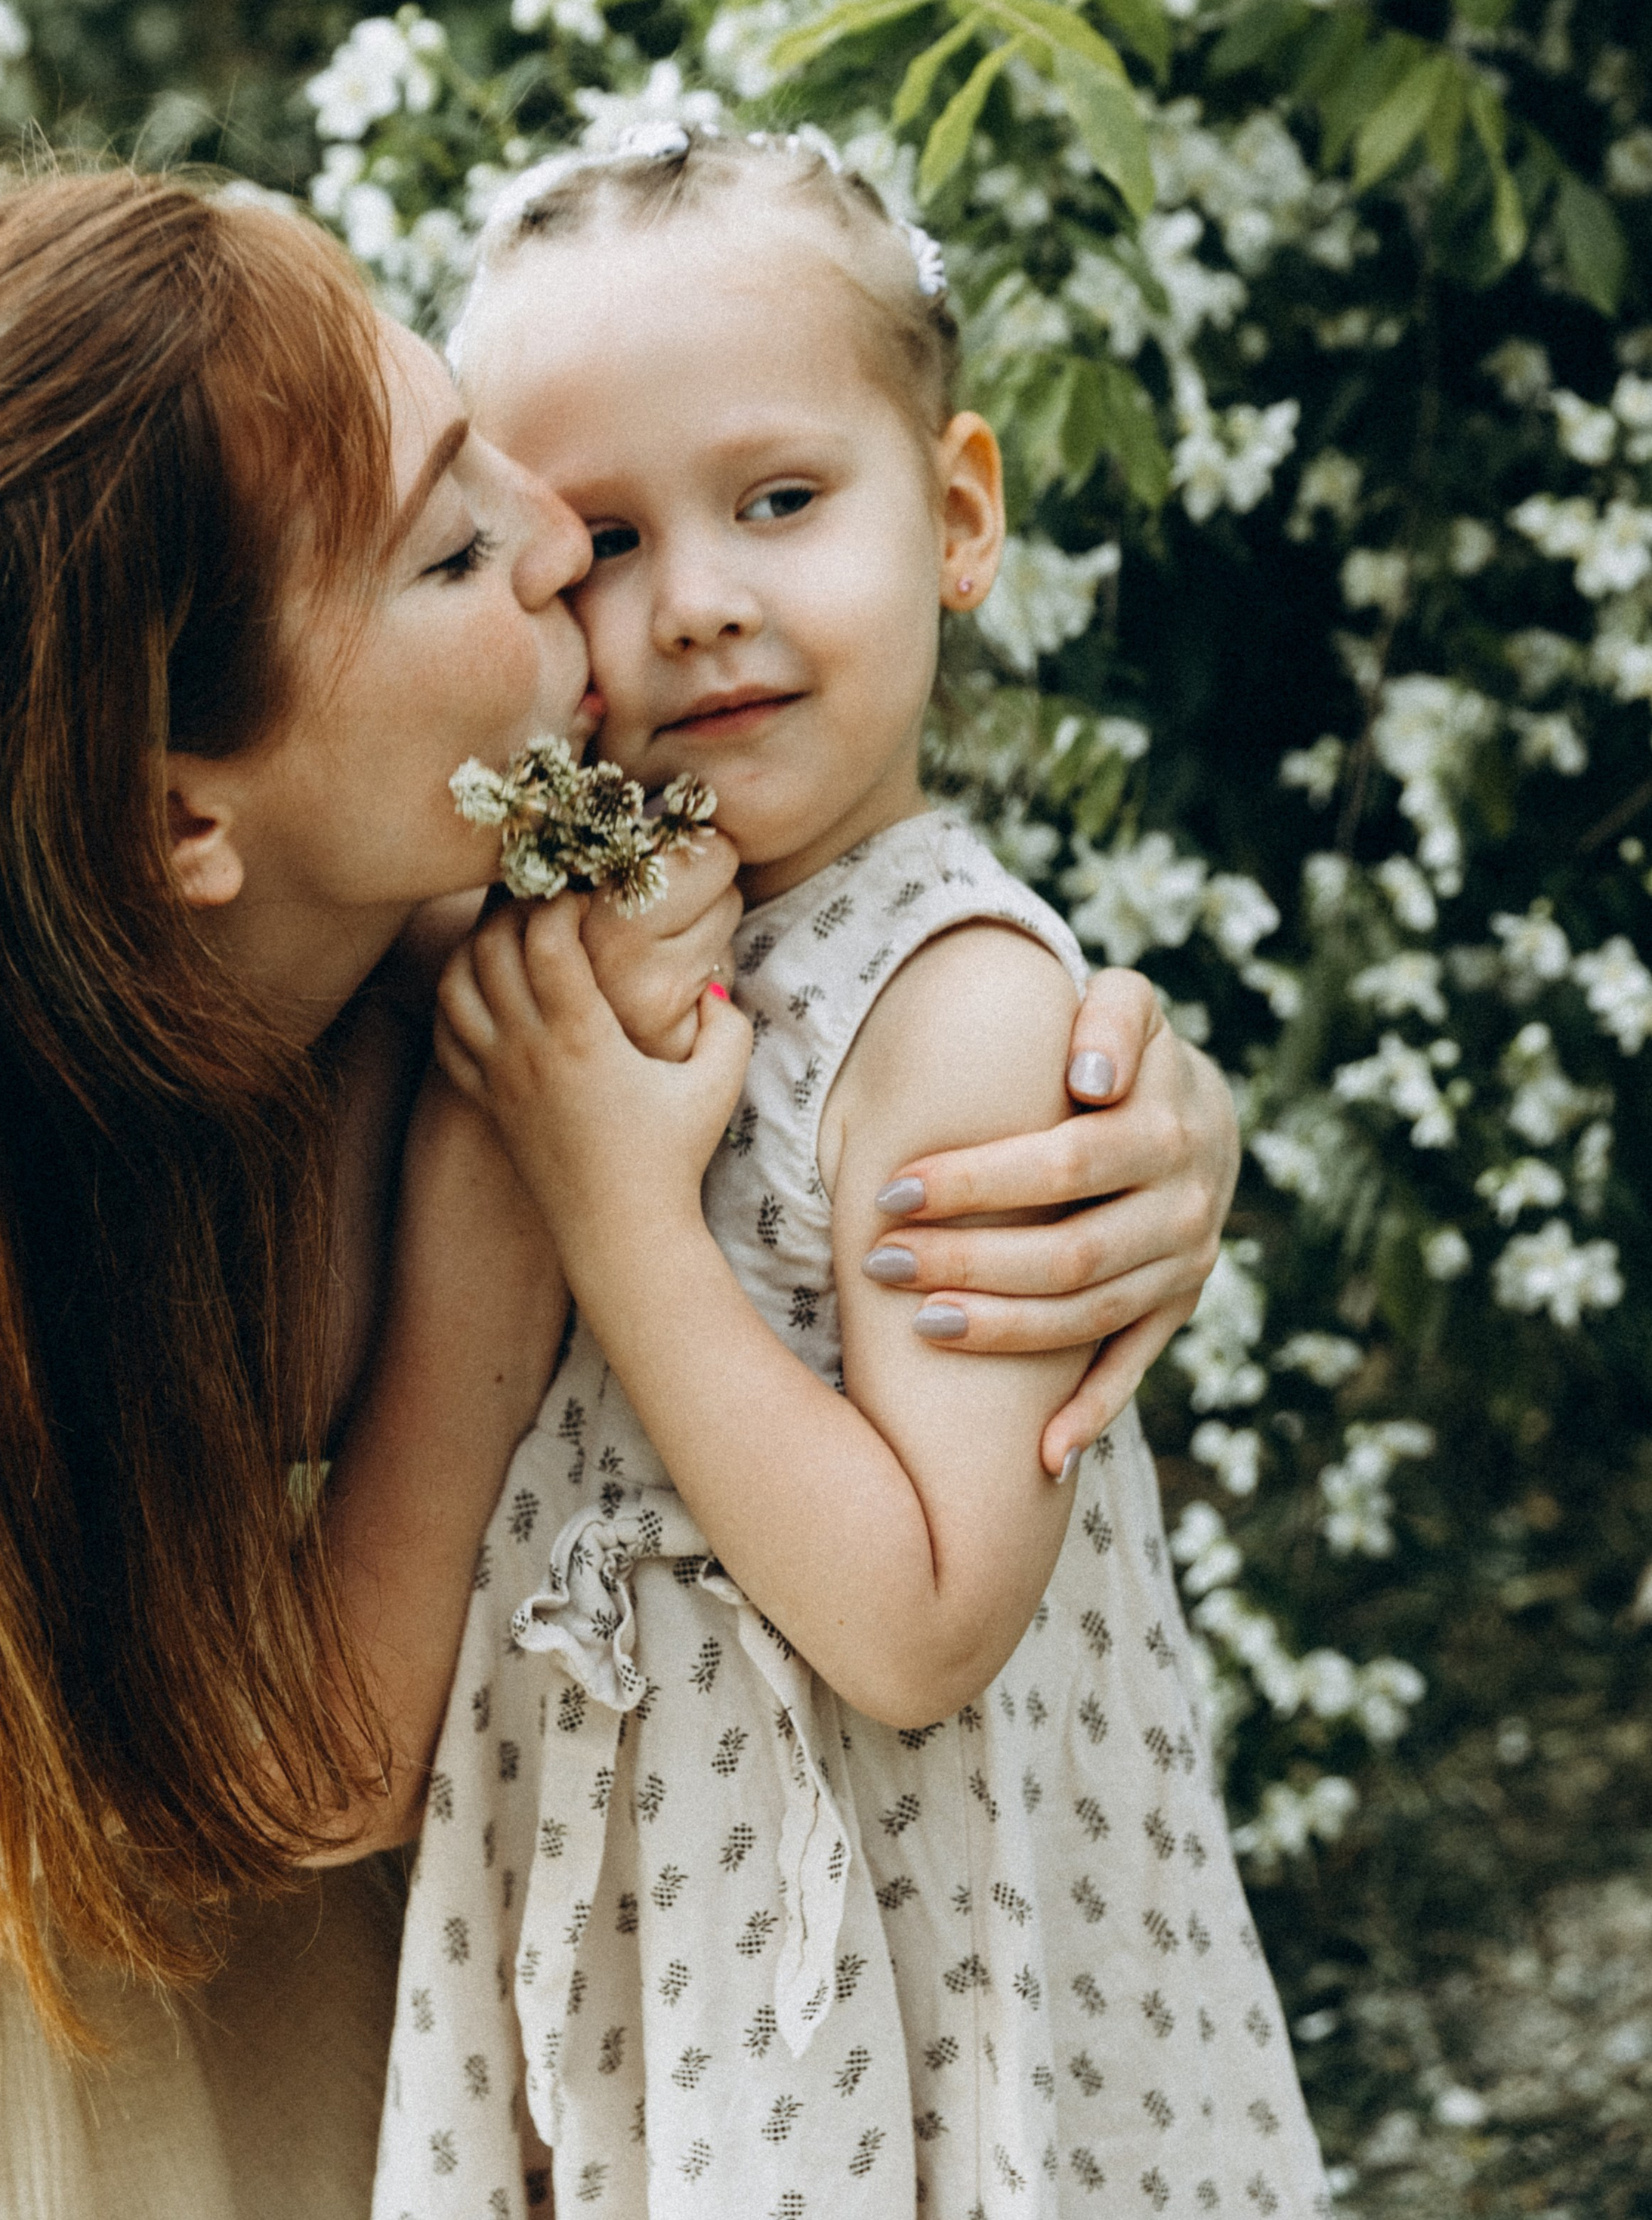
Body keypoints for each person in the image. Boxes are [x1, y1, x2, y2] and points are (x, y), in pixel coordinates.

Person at [0, 169, 1237, 2220]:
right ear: (178, 820)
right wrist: (500, 1209)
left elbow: (860, 1020)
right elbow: (307, 1772)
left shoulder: (427, 905)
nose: (561, 549)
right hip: (94, 2043)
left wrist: (1133, 1119)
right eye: (459, 544)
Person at [372, 130, 1327, 2218]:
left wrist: (613, 1205)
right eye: (603, 541)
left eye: (782, 500)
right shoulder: (533, 953)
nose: (699, 599)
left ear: (959, 515)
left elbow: (921, 1623)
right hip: (655, 1962)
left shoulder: (958, 1010)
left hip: (886, 1978)